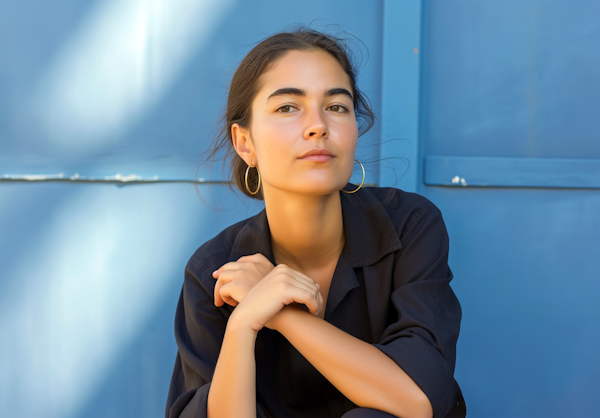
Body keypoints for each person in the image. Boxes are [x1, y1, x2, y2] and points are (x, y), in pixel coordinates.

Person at [165, 27, 466, 418]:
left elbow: (417, 400)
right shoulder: (216, 273)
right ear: (245, 143)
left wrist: (284, 315)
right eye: (287, 107)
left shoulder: (409, 227)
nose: (318, 125)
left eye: (337, 107)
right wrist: (243, 326)